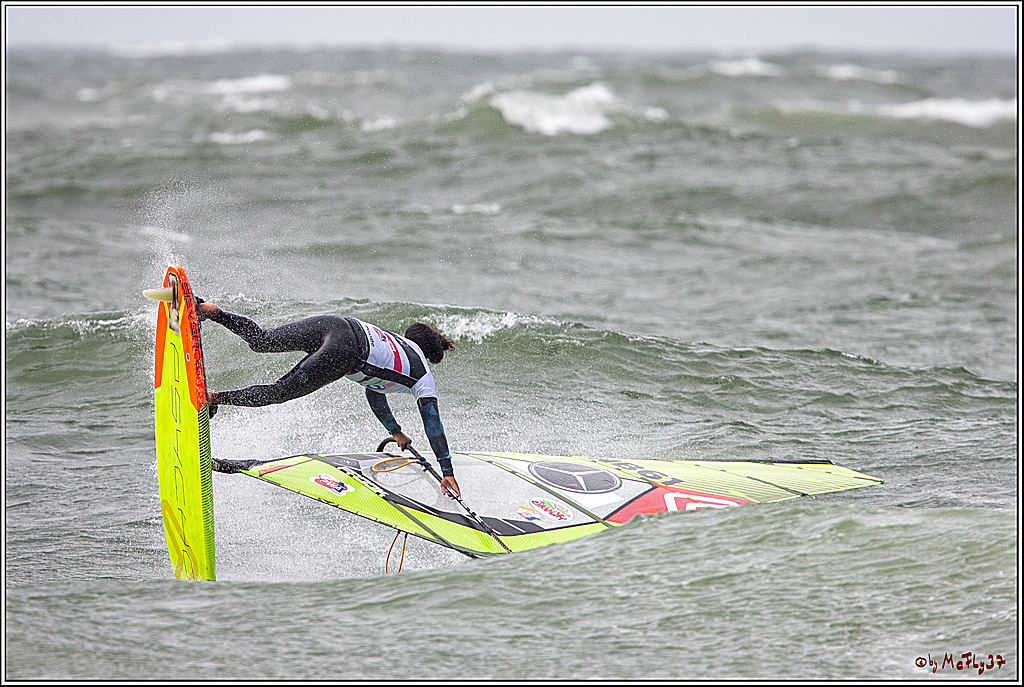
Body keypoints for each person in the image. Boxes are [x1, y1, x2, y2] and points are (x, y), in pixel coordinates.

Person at [194, 299, 461, 498]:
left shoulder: (398, 343)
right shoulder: (422, 376)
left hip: (338, 324)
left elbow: (375, 392)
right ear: (429, 355)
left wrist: (396, 431)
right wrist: (446, 471)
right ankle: (213, 398)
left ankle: (212, 312)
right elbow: (433, 425)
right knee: (279, 391)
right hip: (347, 351)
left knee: (263, 340)